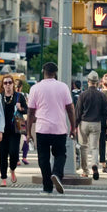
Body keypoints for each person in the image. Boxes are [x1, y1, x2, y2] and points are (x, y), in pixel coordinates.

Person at [26, 62, 76, 194]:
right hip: (59, 128)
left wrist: (28, 132)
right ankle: (57, 174)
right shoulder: (63, 87)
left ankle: (47, 186)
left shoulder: (35, 88)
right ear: (55, 72)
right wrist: (73, 127)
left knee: (43, 157)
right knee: (60, 154)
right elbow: (70, 109)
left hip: (42, 128)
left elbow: (30, 112)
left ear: (43, 71)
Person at [75, 71, 107, 180]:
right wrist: (103, 124)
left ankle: (85, 171)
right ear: (97, 82)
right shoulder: (102, 96)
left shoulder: (82, 95)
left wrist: (75, 125)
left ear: (88, 82)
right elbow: (105, 112)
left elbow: (78, 112)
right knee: (94, 147)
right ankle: (94, 164)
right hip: (96, 123)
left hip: (84, 123)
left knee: (84, 147)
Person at [0, 75, 28, 187]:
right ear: (2, 85)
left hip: (15, 129)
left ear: (13, 84)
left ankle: (12, 169)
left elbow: (27, 110)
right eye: (5, 83)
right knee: (3, 154)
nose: (8, 85)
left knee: (14, 152)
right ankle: (3, 178)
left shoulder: (19, 96)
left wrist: (21, 108)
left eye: (10, 82)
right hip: (2, 129)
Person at [14, 79, 30, 166]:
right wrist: (22, 109)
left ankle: (17, 159)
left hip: (14, 119)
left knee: (16, 139)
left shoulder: (12, 95)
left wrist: (21, 108)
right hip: (20, 119)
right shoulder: (22, 95)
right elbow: (27, 109)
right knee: (25, 137)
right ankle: (24, 157)